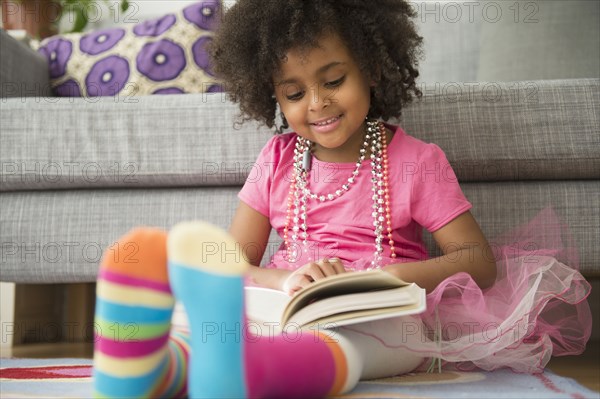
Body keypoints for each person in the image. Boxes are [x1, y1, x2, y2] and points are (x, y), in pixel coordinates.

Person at [92, 1, 592, 398]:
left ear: (373, 69)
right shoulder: (277, 159)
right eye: (293, 94)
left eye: (333, 81)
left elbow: (477, 262)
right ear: (272, 97)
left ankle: (244, 374)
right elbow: (233, 262)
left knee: (351, 342)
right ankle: (153, 369)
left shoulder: (417, 161)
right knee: (203, 314)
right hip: (288, 303)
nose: (317, 103)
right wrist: (287, 279)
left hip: (381, 315)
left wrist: (389, 276)